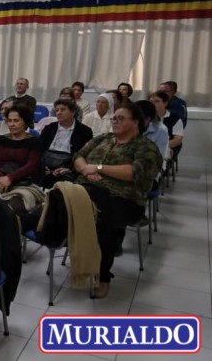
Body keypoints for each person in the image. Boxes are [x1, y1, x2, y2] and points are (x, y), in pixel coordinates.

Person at [73, 104, 162, 298]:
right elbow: (79, 156)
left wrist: (98, 168)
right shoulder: (103, 139)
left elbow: (134, 172)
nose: (115, 122)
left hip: (125, 200)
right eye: (114, 118)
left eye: (120, 118)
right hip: (87, 189)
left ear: (136, 123)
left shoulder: (145, 147)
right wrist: (87, 172)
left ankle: (102, 277)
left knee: (103, 222)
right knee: (60, 200)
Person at [0, 104, 44, 231]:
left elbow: (31, 166)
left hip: (23, 185)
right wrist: (1, 178)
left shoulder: (34, 142)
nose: (11, 124)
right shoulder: (0, 139)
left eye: (16, 120)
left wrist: (10, 178)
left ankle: (8, 243)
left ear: (25, 122)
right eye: (10, 120)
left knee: (9, 211)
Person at [39, 99, 93, 189]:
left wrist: (70, 169)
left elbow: (85, 155)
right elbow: (39, 149)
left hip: (68, 166)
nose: (59, 113)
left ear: (73, 112)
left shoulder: (84, 131)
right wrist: (43, 167)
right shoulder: (49, 128)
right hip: (46, 164)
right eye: (57, 110)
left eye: (63, 109)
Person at [150, 90, 183, 156]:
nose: (153, 104)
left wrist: (159, 145)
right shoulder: (147, 117)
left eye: (157, 101)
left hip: (165, 148)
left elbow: (178, 140)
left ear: (165, 103)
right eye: (151, 102)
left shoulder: (175, 119)